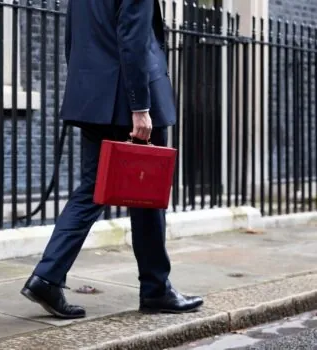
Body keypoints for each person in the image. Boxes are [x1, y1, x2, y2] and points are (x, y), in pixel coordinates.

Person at [21, 0, 203, 319]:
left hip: (94, 97)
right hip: (129, 98)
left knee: (93, 188)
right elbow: (133, 37)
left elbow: (72, 40)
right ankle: (156, 289)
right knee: (147, 196)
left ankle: (47, 277)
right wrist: (140, 107)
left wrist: (88, 91)